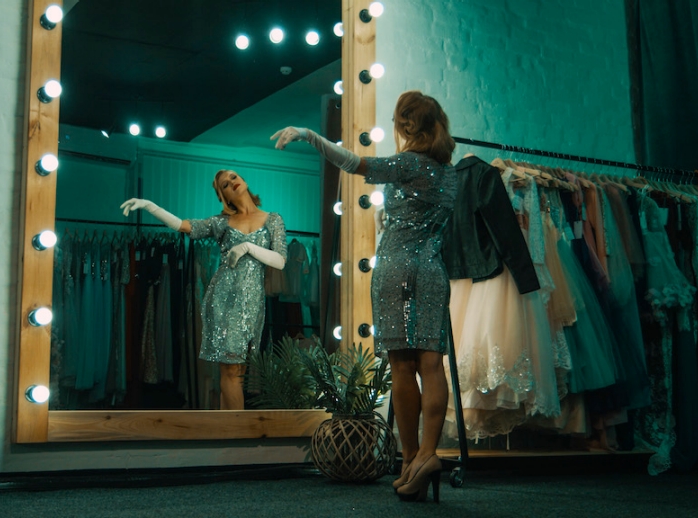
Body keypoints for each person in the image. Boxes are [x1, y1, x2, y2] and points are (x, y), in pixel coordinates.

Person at [272, 90, 457, 503]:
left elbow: (354, 163)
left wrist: (309, 135)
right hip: (432, 272)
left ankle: (411, 458)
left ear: (404, 125)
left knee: (402, 366)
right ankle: (427, 456)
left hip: (396, 272)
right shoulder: (450, 174)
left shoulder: (409, 163)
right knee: (432, 364)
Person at [120, 170, 287, 410]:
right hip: (224, 299)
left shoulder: (273, 219)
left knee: (237, 372)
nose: (232, 182)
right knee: (230, 370)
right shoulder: (221, 223)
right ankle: (236, 434)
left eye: (233, 177)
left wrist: (248, 247)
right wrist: (149, 206)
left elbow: (280, 260)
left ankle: (224, 430)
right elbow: (182, 225)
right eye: (225, 185)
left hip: (252, 303)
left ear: (244, 181)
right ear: (224, 196)